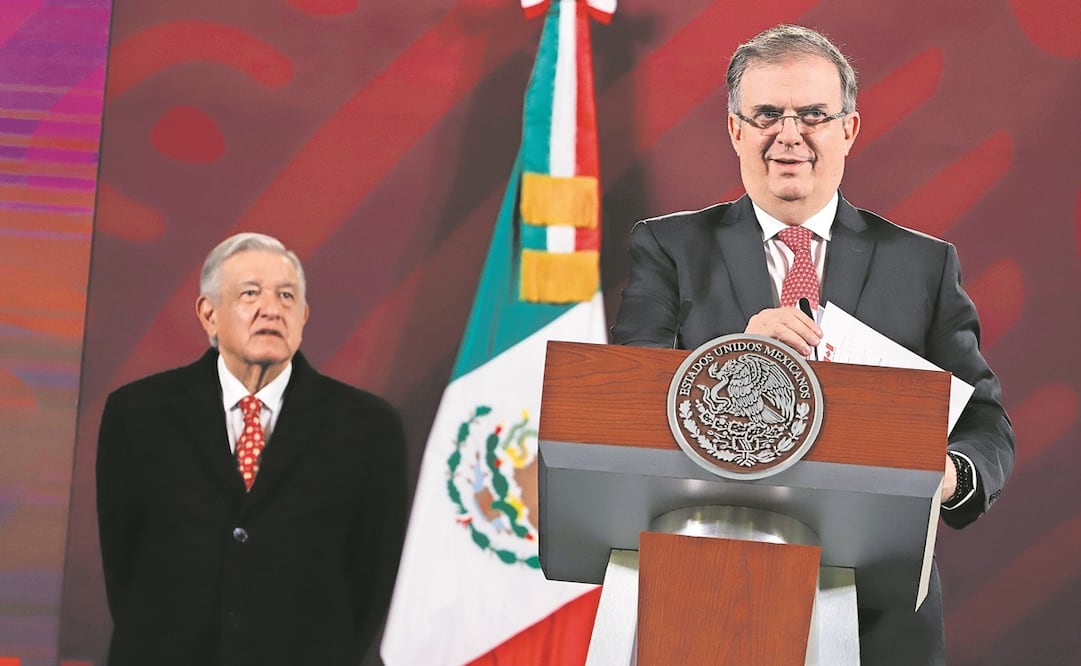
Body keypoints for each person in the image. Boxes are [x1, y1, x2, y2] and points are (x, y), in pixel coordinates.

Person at [611, 24, 1014, 665]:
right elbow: (623, 404)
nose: (789, 135)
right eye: (767, 114)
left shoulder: (924, 264)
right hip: (710, 593)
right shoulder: (669, 249)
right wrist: (728, 360)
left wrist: (949, 474)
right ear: (736, 129)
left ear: (848, 130)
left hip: (880, 610)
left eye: (813, 115)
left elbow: (985, 422)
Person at [95, 232, 408, 666]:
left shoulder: (368, 427)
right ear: (209, 314)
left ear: (303, 316)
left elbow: (373, 579)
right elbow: (123, 565)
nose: (271, 309)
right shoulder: (138, 415)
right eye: (250, 294)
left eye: (286, 296)